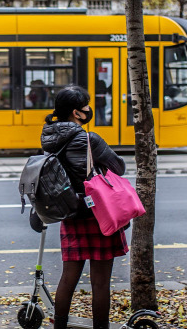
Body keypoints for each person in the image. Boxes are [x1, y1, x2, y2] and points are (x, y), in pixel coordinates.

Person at [40, 85, 127, 329]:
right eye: (86, 105)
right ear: (77, 113)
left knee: (68, 278)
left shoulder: (48, 138)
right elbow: (118, 167)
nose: (90, 109)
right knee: (100, 283)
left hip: (70, 213)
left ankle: (60, 326)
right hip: (99, 215)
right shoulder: (89, 139)